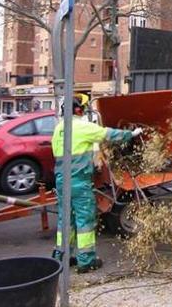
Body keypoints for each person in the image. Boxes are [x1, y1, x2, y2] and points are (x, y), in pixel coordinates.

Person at [51, 94, 141, 273]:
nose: (85, 109)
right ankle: (86, 261)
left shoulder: (59, 129)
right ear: (78, 110)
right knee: (84, 220)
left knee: (65, 220)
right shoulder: (83, 127)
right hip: (79, 182)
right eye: (83, 107)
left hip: (62, 181)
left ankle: (62, 256)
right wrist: (131, 134)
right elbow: (108, 134)